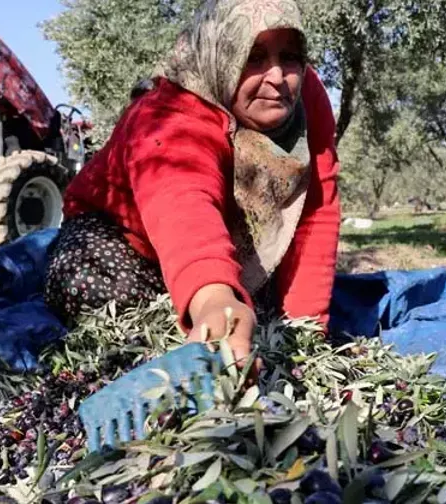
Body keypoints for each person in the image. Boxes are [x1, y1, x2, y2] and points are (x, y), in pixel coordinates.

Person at [43, 0, 341, 374]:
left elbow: (316, 208)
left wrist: (310, 331)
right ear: (222, 54)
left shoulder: (306, 100)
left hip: (226, 245)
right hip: (125, 241)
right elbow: (183, 205)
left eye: (291, 57)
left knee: (269, 323)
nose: (277, 77)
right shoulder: (168, 112)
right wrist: (215, 301)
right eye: (253, 57)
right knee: (86, 284)